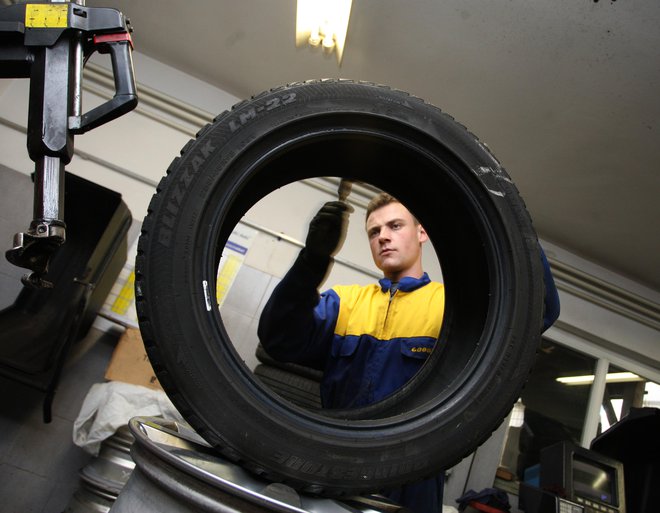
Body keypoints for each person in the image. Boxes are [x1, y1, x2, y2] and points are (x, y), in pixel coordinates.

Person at [258, 192, 559, 512]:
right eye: (374, 232)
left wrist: (514, 226)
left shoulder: (453, 309)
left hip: (413, 480)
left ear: (422, 233)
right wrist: (313, 260)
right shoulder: (344, 301)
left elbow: (537, 311)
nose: (383, 236)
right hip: (334, 465)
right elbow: (279, 339)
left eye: (395, 225)